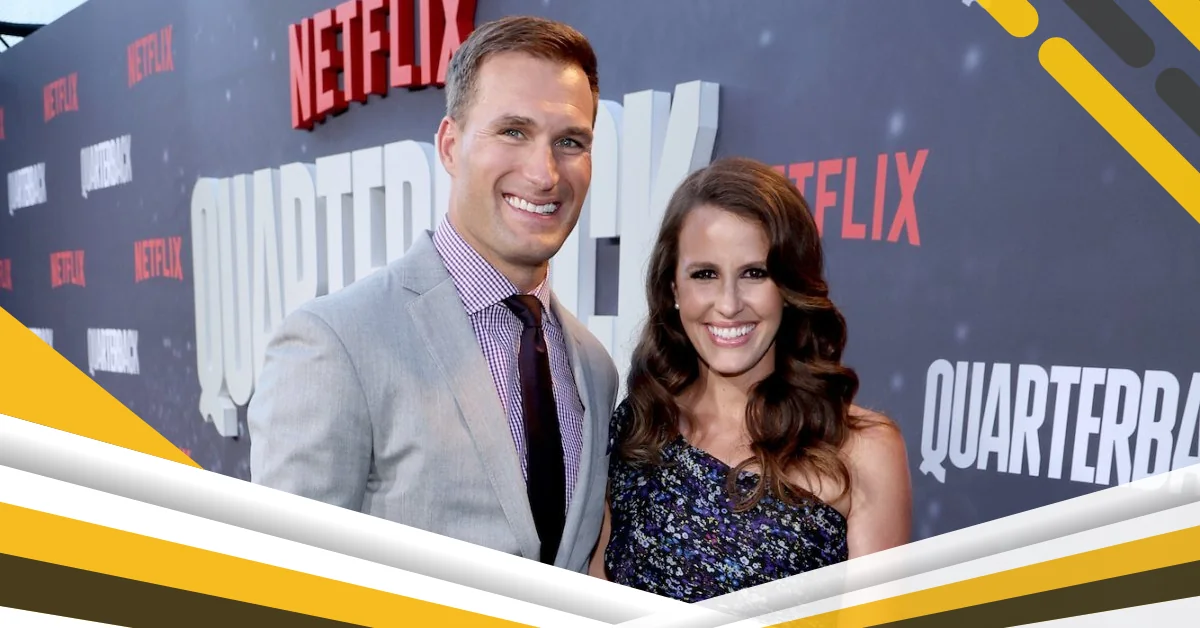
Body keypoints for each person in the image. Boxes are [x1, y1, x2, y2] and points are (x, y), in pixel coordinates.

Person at [248, 15, 617, 573]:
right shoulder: (336, 343)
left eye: (570, 141)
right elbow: (281, 582)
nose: (545, 173)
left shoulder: (594, 367)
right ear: (449, 145)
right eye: (513, 131)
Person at [588, 157, 912, 601]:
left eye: (754, 273)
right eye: (705, 274)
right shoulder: (640, 425)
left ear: (789, 289)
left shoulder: (863, 449)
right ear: (673, 289)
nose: (728, 304)